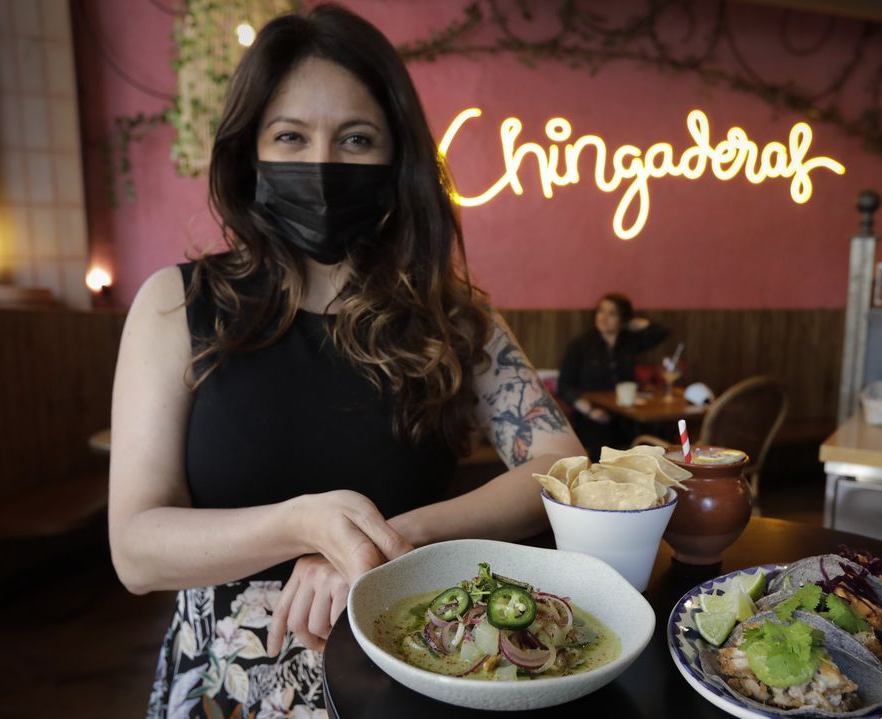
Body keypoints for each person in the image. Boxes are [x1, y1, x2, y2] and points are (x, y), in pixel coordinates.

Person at [107, 7, 585, 717]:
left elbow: (562, 464)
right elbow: (137, 548)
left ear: (398, 161)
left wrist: (397, 539)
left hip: (418, 661)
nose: (321, 163)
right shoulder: (175, 304)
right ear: (250, 153)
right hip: (227, 681)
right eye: (291, 136)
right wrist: (305, 523)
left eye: (356, 138)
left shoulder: (454, 316)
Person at [556, 293, 669, 461]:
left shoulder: (629, 342)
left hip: (627, 413)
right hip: (592, 414)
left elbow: (661, 332)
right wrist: (590, 410)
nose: (603, 317)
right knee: (601, 445)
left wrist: (631, 323)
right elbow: (564, 386)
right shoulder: (581, 344)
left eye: (612, 313)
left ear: (622, 319)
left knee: (654, 437)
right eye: (601, 311)